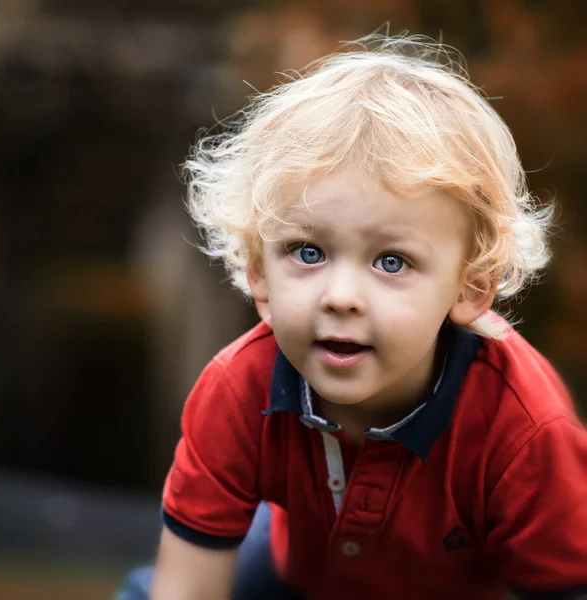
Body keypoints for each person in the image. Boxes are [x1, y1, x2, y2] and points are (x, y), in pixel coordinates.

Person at [126, 35, 587, 599]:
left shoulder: (523, 430)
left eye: (392, 261)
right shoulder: (238, 390)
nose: (341, 296)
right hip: (292, 577)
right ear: (258, 273)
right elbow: (187, 587)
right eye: (308, 252)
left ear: (470, 287)